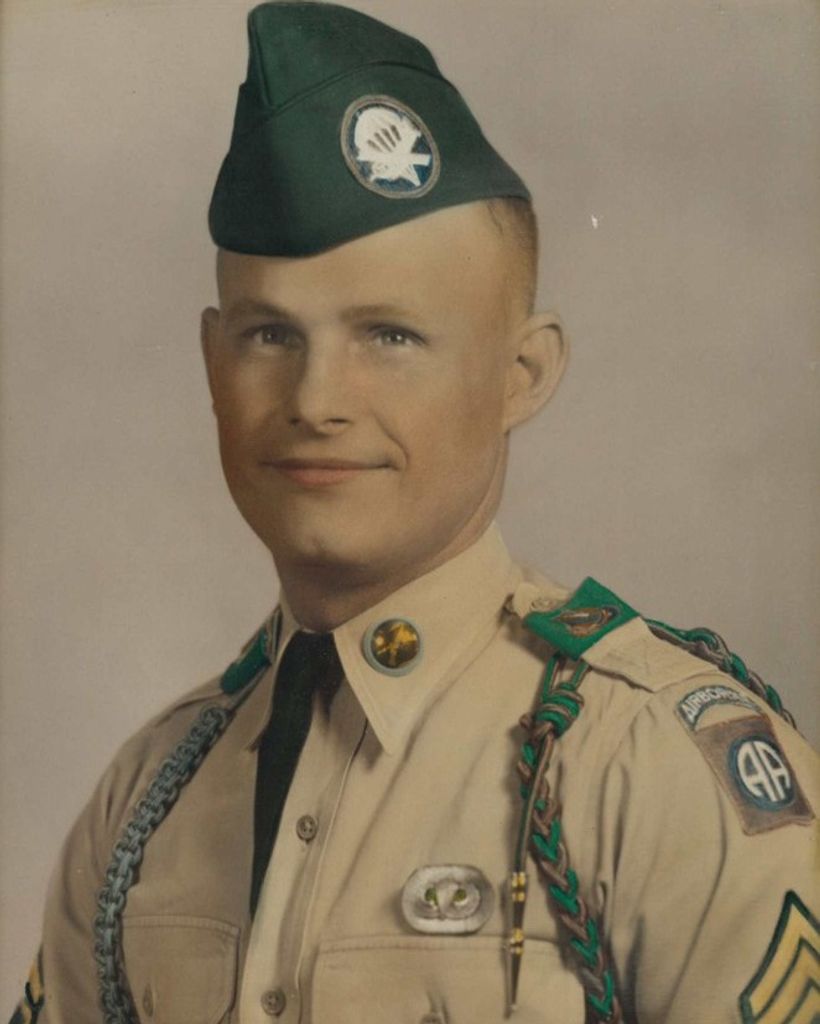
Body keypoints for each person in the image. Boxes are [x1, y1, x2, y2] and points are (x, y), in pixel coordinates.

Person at [10, 3, 818, 1023]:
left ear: (522, 374)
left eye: (388, 336)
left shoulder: (648, 767)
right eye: (269, 335)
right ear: (213, 364)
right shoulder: (148, 799)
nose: (315, 401)